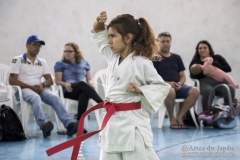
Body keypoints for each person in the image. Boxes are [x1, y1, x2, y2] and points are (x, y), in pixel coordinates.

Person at [91, 11, 171, 160]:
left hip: (132, 125)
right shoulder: (112, 56)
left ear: (128, 38)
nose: (109, 40)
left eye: (113, 36)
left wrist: (140, 90)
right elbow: (97, 33)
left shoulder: (142, 62)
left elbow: (161, 86)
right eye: (108, 36)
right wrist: (99, 22)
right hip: (111, 122)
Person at [9, 35, 78, 138]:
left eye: (39, 46)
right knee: (35, 97)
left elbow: (50, 80)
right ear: (27, 45)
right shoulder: (17, 60)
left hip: (39, 89)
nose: (37, 47)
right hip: (23, 90)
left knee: (55, 97)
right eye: (34, 45)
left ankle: (69, 125)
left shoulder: (42, 62)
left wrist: (42, 85)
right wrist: (31, 87)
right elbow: (12, 80)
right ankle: (44, 125)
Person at [153, 32, 200, 129]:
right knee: (170, 90)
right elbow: (153, 78)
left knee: (195, 90)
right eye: (163, 41)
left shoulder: (176, 58)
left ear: (170, 42)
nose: (166, 43)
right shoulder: (154, 58)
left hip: (178, 87)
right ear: (158, 43)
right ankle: (172, 119)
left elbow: (182, 75)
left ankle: (179, 117)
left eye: (167, 41)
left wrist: (180, 83)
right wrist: (168, 83)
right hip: (162, 88)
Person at [54, 42, 103, 133]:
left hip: (82, 89)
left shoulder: (84, 63)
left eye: (70, 51)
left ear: (76, 52)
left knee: (84, 94)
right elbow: (57, 81)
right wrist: (65, 84)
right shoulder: (60, 64)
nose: (67, 53)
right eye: (65, 51)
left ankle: (79, 126)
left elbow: (89, 79)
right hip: (68, 90)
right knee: (82, 84)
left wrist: (91, 83)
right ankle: (102, 103)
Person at [189, 40, 235, 112]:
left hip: (219, 82)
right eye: (200, 48)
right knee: (208, 91)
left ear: (209, 49)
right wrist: (203, 73)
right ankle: (206, 114)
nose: (202, 50)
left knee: (230, 88)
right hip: (204, 82)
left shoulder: (217, 57)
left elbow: (228, 68)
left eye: (205, 48)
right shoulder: (195, 61)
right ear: (197, 51)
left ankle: (228, 111)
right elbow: (192, 75)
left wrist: (213, 62)